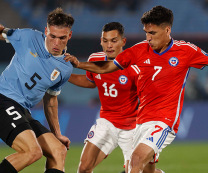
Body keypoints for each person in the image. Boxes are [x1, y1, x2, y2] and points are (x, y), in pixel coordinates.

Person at [64, 5, 208, 173]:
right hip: (140, 120)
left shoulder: (186, 51)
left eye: (152, 33)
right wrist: (80, 64)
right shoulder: (138, 50)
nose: (148, 38)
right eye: (146, 33)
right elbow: (109, 66)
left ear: (167, 30)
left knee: (134, 162)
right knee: (146, 170)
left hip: (164, 121)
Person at [0, 8, 73, 173]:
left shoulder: (65, 68)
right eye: (52, 36)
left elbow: (51, 99)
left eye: (62, 38)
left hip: (23, 110)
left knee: (58, 151)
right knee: (33, 151)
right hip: (0, 101)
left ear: (69, 36)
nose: (56, 43)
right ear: (46, 31)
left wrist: (57, 133)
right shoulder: (28, 37)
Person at [68, 22, 164, 173]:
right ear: (101, 41)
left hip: (131, 127)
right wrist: (65, 76)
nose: (109, 45)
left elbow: (150, 98)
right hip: (107, 122)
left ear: (123, 42)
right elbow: (90, 82)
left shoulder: (134, 67)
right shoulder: (94, 59)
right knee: (84, 168)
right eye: (105, 41)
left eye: (114, 40)